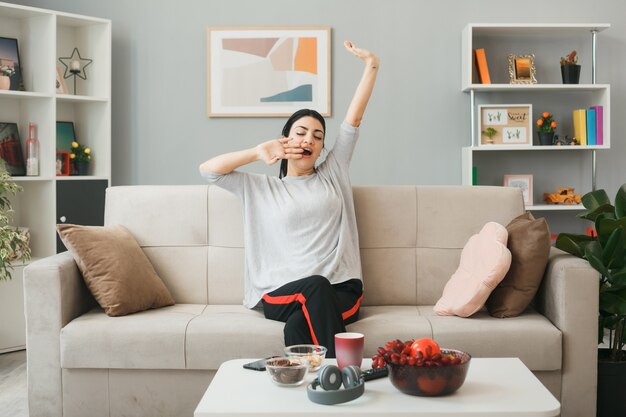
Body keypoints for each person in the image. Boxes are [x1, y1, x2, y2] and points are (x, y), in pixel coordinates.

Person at [199, 40, 379, 357]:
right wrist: (257, 152)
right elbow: (209, 171)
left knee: (296, 327)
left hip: (341, 290)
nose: (309, 139)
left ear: (323, 149)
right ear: (286, 139)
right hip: (281, 291)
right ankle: (348, 374)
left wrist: (371, 65)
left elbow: (354, 120)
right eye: (301, 132)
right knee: (314, 286)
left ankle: (314, 393)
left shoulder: (333, 173)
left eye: (318, 136)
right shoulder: (262, 188)